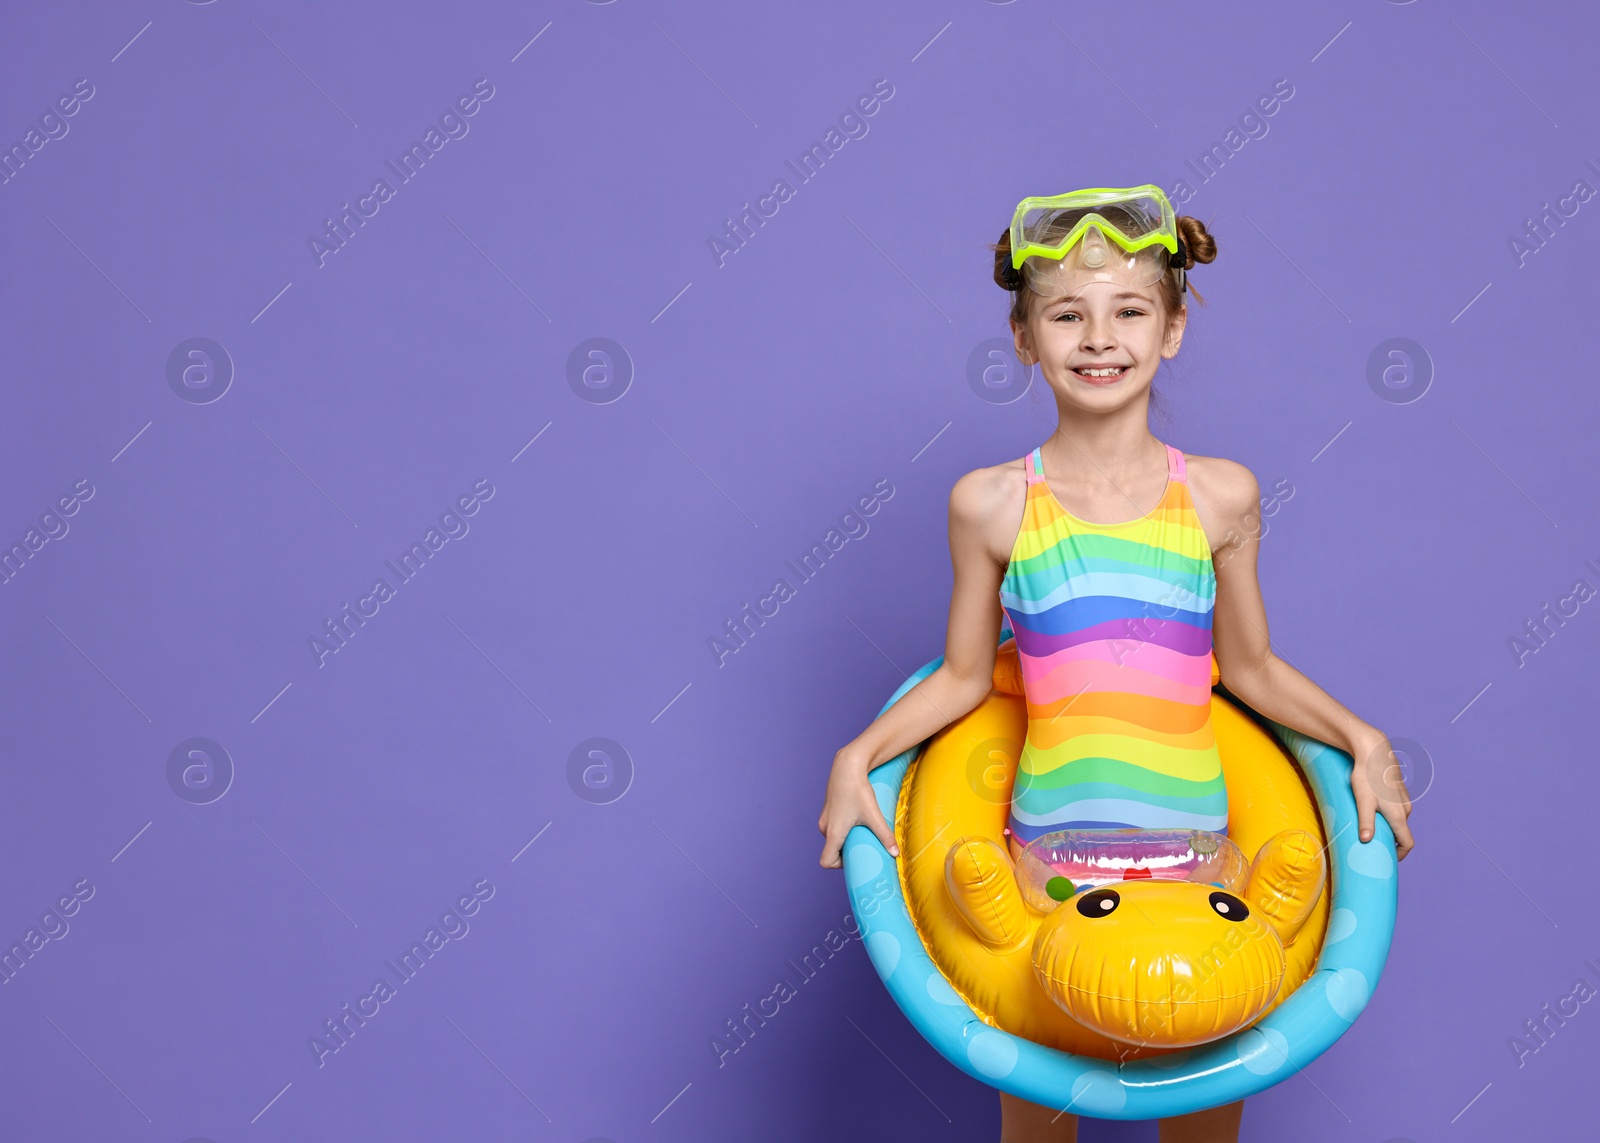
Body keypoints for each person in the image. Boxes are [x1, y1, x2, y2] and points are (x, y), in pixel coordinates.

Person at [817, 186, 1416, 1142]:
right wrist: (858, 757)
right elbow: (967, 678)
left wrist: (1363, 737)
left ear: (1173, 328)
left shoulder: (1220, 496)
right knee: (1044, 1124)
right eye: (1067, 315)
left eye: (1131, 311)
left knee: (1203, 1128)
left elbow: (1250, 669)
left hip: (1198, 874)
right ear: (1025, 338)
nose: (1100, 338)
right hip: (1048, 871)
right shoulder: (991, 505)